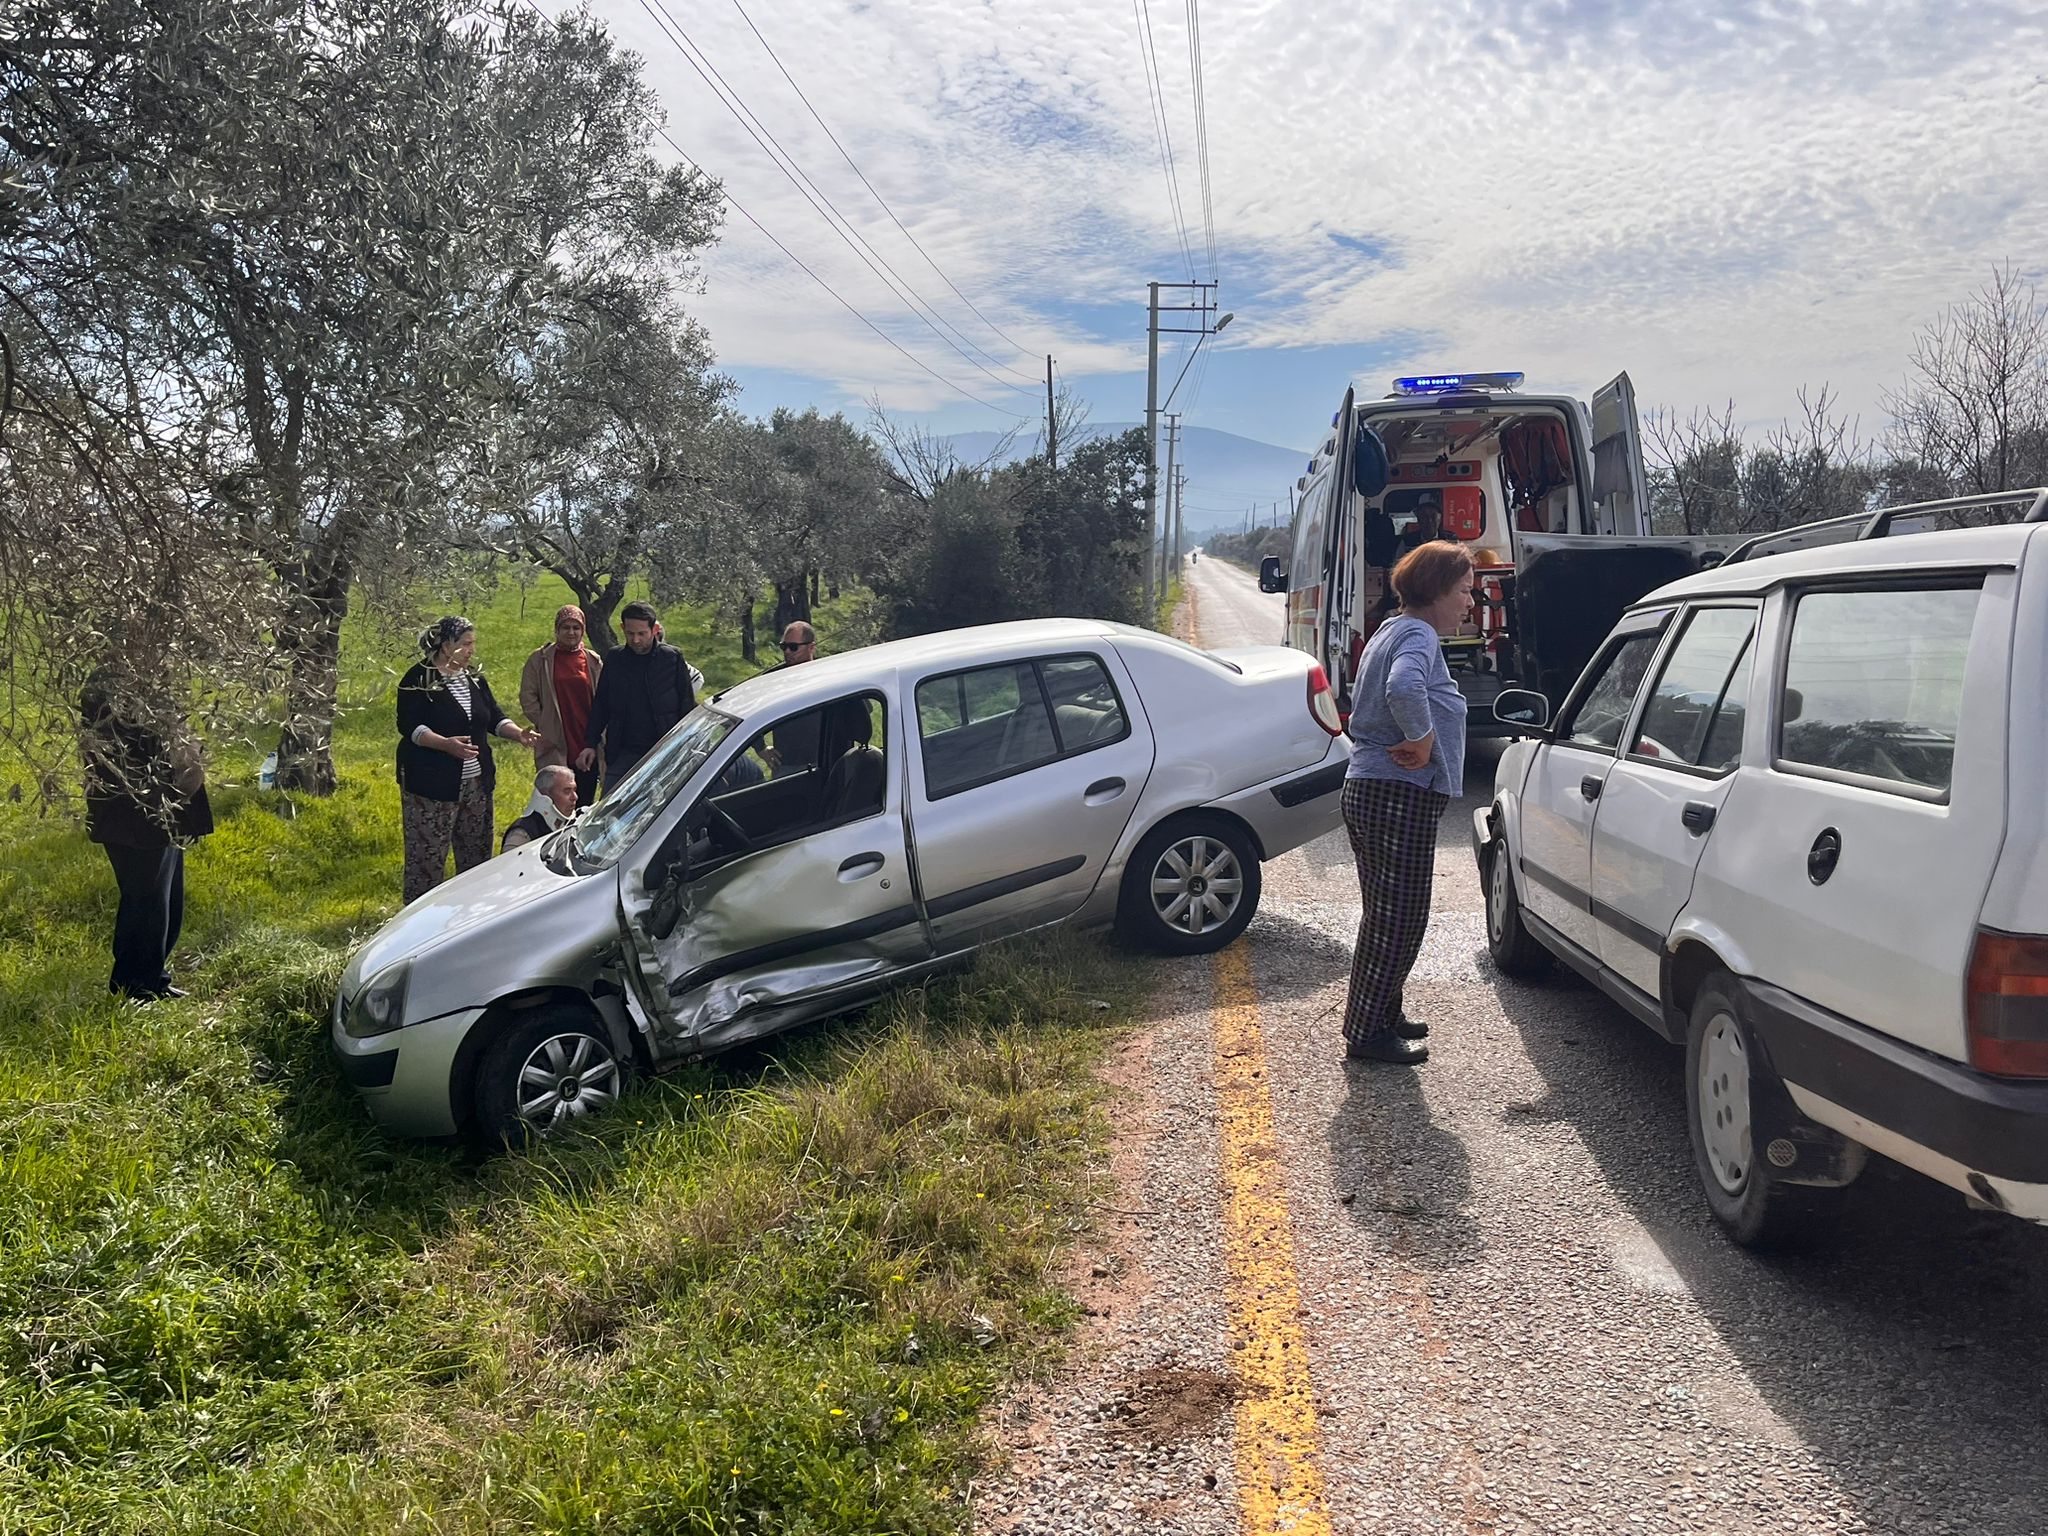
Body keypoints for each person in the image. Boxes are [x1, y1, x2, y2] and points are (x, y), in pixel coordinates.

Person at [1338, 541, 1476, 1065]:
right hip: (1396, 791)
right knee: (1400, 917)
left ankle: (1382, 1011)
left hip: (1373, 787)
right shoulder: (1417, 636)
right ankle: (1368, 1030)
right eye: (1463, 590)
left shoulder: (1391, 630)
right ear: (1437, 590)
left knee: (1387, 912)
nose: (1469, 600)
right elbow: (1402, 689)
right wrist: (1422, 739)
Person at [81, 659, 214, 1002]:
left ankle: (154, 978)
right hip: (131, 814)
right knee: (144, 900)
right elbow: (124, 757)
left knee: (166, 899)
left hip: (163, 811)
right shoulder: (107, 688)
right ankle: (132, 987)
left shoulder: (150, 677)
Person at [397, 616, 542, 904]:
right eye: (465, 644)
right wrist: (444, 745)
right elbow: (410, 727)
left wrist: (518, 734)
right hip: (432, 785)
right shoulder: (419, 679)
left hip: (476, 783)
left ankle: (471, 913)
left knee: (476, 855)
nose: (471, 650)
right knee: (427, 857)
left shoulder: (474, 678)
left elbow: (493, 717)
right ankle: (417, 921)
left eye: (473, 644)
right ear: (445, 644)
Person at [578, 601, 696, 794]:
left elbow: (686, 706)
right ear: (623, 628)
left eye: (642, 634)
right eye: (630, 633)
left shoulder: (672, 658)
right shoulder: (615, 659)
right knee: (610, 806)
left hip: (663, 751)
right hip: (622, 751)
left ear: (654, 629)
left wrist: (687, 745)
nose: (636, 640)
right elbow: (601, 705)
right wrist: (590, 744)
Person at [519, 604, 604, 808]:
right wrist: (544, 723)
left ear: (582, 630)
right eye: (566, 627)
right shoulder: (540, 660)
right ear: (557, 630)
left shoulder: (592, 660)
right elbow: (528, 696)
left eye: (576, 628)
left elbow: (603, 699)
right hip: (555, 739)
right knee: (556, 801)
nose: (571, 632)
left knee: (583, 800)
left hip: (586, 739)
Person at [762, 620, 820, 774]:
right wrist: (761, 748)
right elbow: (742, 711)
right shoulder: (773, 679)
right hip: (786, 767)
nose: (787, 652)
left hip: (824, 763)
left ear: (811, 647)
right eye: (783, 647)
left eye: (793, 647)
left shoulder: (829, 675)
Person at [502, 764, 578, 851]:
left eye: (574, 790)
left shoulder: (575, 825)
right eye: (567, 791)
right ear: (546, 795)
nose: (575, 797)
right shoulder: (522, 834)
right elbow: (509, 864)